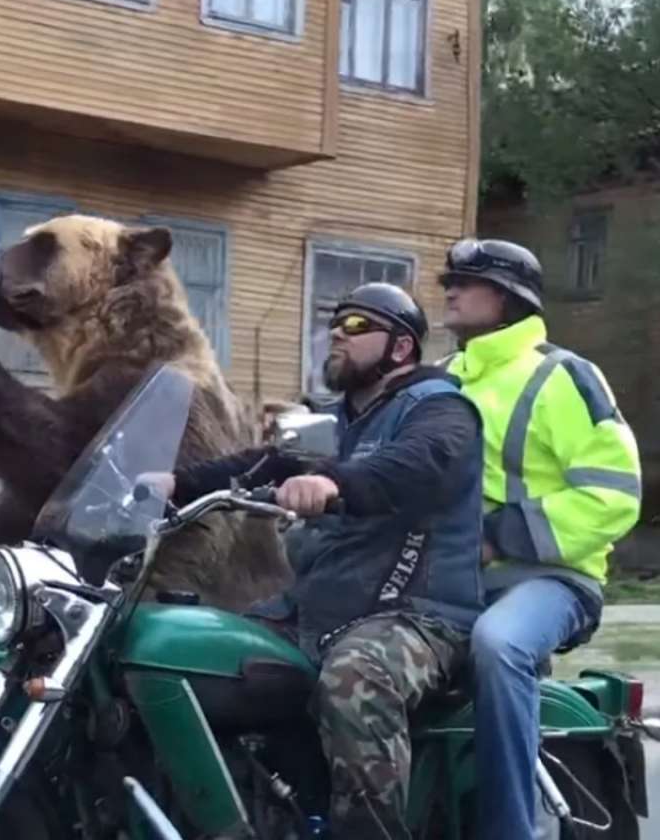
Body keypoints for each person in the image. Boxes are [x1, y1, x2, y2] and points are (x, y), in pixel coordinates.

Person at [153, 282, 485, 840]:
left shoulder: (441, 409)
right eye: (335, 322)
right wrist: (175, 484)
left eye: (357, 326)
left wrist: (331, 481)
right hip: (322, 606)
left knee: (356, 679)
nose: (337, 332)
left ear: (400, 348)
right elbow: (267, 463)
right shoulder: (337, 422)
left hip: (417, 613)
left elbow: (413, 466)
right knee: (192, 649)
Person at [438, 239, 641, 840]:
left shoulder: (563, 376)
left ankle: (509, 831)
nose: (447, 288)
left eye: (463, 281)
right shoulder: (444, 379)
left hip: (553, 579)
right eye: (449, 279)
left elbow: (614, 494)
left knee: (498, 645)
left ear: (503, 298)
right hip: (449, 575)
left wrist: (497, 539)